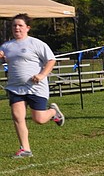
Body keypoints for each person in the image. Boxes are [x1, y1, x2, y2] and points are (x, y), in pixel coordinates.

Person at [0, 13, 65, 158]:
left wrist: (42, 75)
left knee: (39, 119)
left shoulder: (36, 43)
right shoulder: (6, 46)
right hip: (15, 87)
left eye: (20, 25)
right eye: (14, 25)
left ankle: (53, 112)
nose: (17, 28)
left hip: (35, 87)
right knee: (18, 116)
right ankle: (25, 149)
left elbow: (51, 60)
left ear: (27, 28)